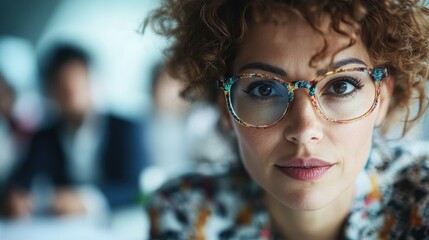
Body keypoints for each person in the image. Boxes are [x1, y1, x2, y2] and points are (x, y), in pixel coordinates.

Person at [145, 0, 429, 239]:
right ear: (225, 107)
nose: (305, 130)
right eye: (264, 89)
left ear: (383, 98)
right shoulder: (186, 213)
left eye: (341, 86)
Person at [2, 43, 147, 219]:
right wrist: (15, 197)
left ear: (93, 81)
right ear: (50, 90)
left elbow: (135, 189)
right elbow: (19, 182)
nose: (72, 90)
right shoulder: (44, 137)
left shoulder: (125, 129)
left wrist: (86, 201)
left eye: (78, 80)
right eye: (62, 84)